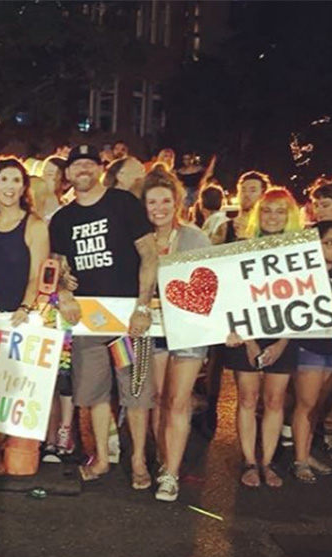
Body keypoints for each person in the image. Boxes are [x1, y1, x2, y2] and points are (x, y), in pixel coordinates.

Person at [50, 144, 158, 488]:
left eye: (89, 163)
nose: (82, 169)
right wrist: (64, 293)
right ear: (67, 174)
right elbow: (58, 268)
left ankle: (139, 460)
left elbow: (149, 255)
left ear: (99, 168)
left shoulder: (123, 203)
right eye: (76, 164)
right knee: (94, 394)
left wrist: (143, 306)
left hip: (129, 319)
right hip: (89, 320)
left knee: (136, 392)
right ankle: (101, 460)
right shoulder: (62, 218)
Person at [0, 157, 49, 478]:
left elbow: (38, 275)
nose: (10, 186)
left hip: (15, 318)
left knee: (2, 392)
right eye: (4, 179)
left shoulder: (35, 226)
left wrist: (25, 308)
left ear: (24, 187)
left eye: (16, 180)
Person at [225, 187, 303, 488]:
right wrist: (249, 340)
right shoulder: (243, 248)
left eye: (280, 211)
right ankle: (248, 461)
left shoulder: (300, 252)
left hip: (284, 334)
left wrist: (282, 342)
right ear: (259, 214)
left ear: (290, 215)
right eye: (268, 210)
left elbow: (303, 299)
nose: (273, 217)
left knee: (274, 400)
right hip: (246, 333)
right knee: (247, 398)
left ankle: (267, 463)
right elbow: (232, 296)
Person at [142, 166, 211, 502]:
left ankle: (171, 474)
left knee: (178, 401)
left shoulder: (194, 237)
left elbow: (215, 283)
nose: (159, 208)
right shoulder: (140, 242)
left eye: (165, 201)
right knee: (158, 400)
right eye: (152, 201)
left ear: (177, 202)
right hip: (154, 331)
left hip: (188, 331)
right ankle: (161, 459)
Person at [291, 219, 332, 482]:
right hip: (309, 345)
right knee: (306, 404)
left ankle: (306, 452)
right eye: (329, 242)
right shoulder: (303, 273)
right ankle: (300, 460)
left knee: (318, 404)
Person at [214, 171, 271, 243]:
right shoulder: (225, 228)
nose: (246, 194)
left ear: (263, 195)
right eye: (243, 190)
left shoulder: (272, 226)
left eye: (253, 190)